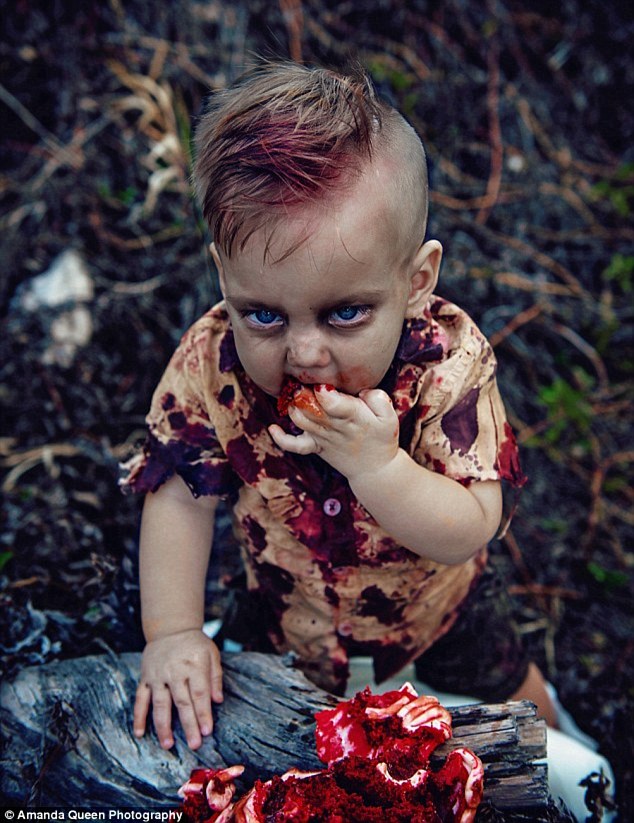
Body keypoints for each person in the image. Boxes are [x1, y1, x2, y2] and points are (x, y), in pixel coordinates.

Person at [120, 60, 557, 752]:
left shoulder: (447, 364)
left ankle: (568, 753)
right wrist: (171, 631)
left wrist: (378, 465)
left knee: (512, 692)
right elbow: (179, 496)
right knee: (290, 737)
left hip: (436, 610)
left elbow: (472, 524)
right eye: (262, 313)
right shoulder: (210, 365)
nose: (306, 353)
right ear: (223, 277)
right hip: (282, 609)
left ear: (416, 282)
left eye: (345, 312)